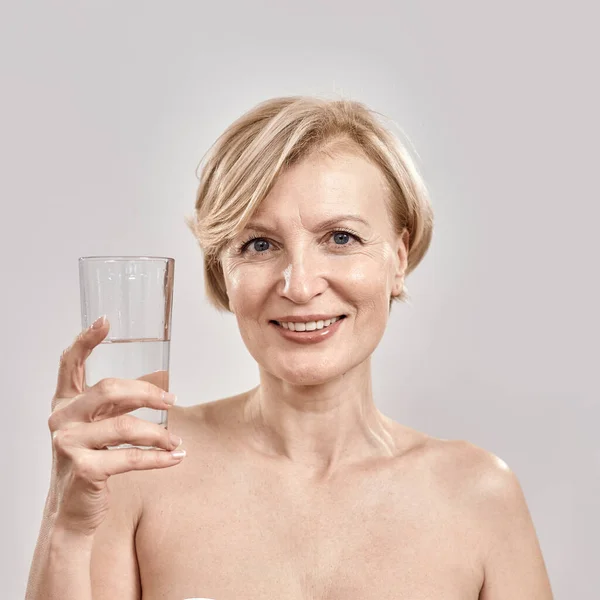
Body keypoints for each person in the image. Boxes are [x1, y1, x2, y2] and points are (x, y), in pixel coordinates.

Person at [26, 96, 553, 599]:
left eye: (341, 238)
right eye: (259, 244)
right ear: (222, 272)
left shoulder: (480, 497)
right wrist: (67, 526)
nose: (299, 286)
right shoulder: (139, 465)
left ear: (398, 256)